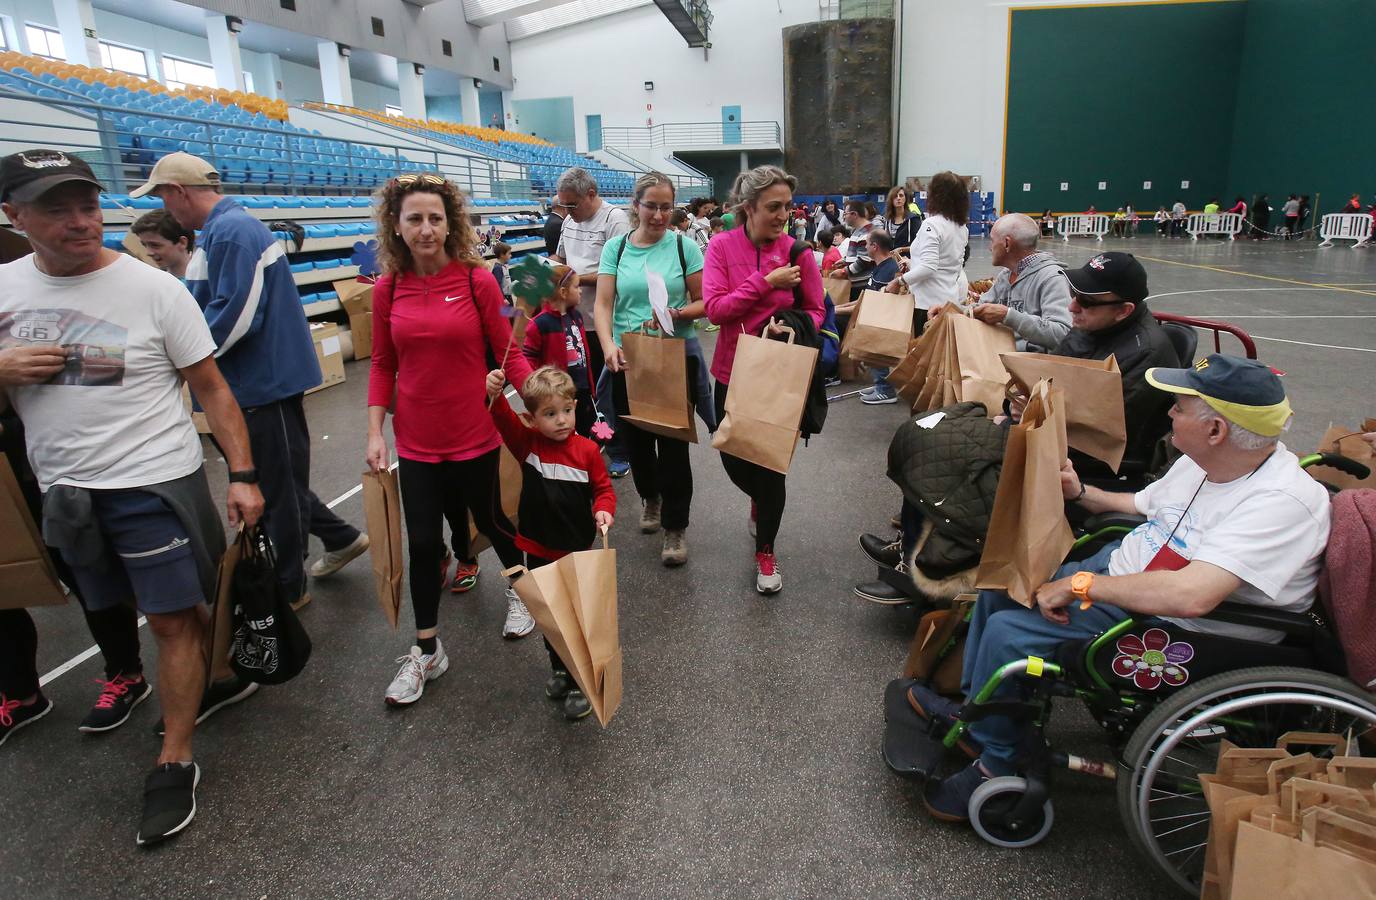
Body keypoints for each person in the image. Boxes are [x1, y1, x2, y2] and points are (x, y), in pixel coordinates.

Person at [914, 355, 1330, 825]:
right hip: (1128, 571)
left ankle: (997, 761)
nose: (1169, 411)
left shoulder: (1281, 502)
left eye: (1180, 406)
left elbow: (1193, 595)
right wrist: (1079, 493)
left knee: (1012, 632)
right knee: (1002, 584)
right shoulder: (1204, 461)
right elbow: (1139, 505)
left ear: (1216, 430)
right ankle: (982, 717)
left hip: (1180, 624)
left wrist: (1080, 585)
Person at [0, 148, 265, 844]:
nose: (80, 221)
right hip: (64, 490)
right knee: (110, 606)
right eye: (57, 209)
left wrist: (241, 474)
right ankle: (195, 678)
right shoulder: (3, 289)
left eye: (87, 205)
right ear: (13, 216)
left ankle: (175, 757)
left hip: (153, 481)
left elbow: (211, 386)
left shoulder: (154, 291)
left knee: (175, 619)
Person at [855, 252, 1176, 604]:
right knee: (929, 430)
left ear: (1124, 309)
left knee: (956, 458)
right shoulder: (1094, 329)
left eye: (1085, 302)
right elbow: (1050, 378)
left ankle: (927, 573)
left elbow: (1103, 435)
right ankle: (912, 548)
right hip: (1041, 427)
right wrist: (1019, 402)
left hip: (1082, 457)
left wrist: (1029, 416)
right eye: (1074, 295)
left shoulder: (1146, 355)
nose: (1072, 307)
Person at [132, 153, 369, 605]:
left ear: (179, 191)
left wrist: (188, 360)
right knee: (278, 483)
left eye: (163, 194)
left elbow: (237, 315)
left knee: (276, 492)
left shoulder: (233, 232)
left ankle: (287, 588)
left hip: (262, 385)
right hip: (252, 385)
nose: (166, 206)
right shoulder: (221, 231)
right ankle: (339, 538)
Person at [366, 173, 537, 706]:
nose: (425, 228)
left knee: (491, 522)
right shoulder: (388, 288)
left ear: (450, 223)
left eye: (435, 218)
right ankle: (426, 651)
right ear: (396, 225)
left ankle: (521, 591)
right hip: (415, 439)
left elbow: (508, 346)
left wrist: (537, 393)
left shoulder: (476, 280)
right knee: (421, 545)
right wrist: (374, 431)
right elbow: (381, 363)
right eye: (414, 218)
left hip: (474, 432)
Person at [703, 164, 825, 594]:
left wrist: (785, 325)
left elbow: (816, 310)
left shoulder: (799, 252)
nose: (783, 215)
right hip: (731, 373)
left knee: (772, 470)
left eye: (788, 207)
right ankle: (758, 500)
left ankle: (767, 550)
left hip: (777, 376)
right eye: (774, 207)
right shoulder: (720, 247)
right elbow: (716, 309)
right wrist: (765, 282)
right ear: (748, 208)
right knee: (733, 459)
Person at [484, 366, 615, 721]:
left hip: (575, 552)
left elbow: (603, 489)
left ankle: (579, 682)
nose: (561, 420)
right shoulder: (527, 445)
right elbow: (502, 417)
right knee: (551, 618)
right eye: (550, 414)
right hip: (538, 550)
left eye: (567, 411)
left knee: (576, 618)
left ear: (575, 406)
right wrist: (494, 391)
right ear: (531, 418)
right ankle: (559, 667)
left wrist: (603, 511)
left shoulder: (587, 451)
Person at [595, 172, 706, 567]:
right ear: (636, 205)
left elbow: (704, 301)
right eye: (651, 206)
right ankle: (651, 498)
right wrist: (608, 345)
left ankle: (676, 526)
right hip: (629, 357)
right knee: (635, 442)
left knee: (674, 445)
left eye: (665, 207)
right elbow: (604, 303)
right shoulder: (617, 249)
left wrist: (674, 313)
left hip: (671, 357)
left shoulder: (683, 247)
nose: (658, 215)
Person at [549, 166, 632, 477]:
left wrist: (572, 279)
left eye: (572, 204)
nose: (566, 210)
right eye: (563, 204)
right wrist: (542, 271)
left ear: (592, 194)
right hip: (572, 321)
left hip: (604, 325)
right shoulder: (571, 219)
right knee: (582, 392)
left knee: (607, 392)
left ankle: (619, 450)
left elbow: (620, 271)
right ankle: (594, 442)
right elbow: (559, 259)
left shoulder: (615, 220)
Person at [876, 169, 969, 404]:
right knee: (940, 362)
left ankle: (924, 407)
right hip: (948, 299)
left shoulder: (931, 225)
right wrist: (913, 263)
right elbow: (947, 265)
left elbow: (928, 267)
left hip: (926, 304)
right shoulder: (961, 227)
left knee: (923, 361)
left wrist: (899, 280)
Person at [947, 212, 1071, 353]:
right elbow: (980, 308)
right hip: (1001, 359)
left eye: (992, 241)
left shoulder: (1052, 278)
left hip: (1032, 369)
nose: (989, 247)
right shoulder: (1006, 275)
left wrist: (1008, 316)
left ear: (1007, 243)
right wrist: (949, 311)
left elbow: (1062, 334)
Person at [524, 264, 596, 436]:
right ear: (563, 292)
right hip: (557, 393)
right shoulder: (540, 324)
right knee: (564, 431)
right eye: (576, 287)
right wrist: (539, 388)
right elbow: (528, 358)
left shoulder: (576, 317)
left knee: (585, 431)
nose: (580, 291)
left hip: (582, 388)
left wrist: (591, 386)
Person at [840, 230, 905, 405]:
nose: (866, 247)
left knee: (876, 351)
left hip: (880, 319)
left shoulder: (886, 271)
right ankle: (880, 385)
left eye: (867, 244)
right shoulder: (882, 267)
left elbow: (873, 301)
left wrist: (837, 310)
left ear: (875, 247)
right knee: (872, 352)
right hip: (875, 314)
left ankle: (885, 389)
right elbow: (865, 298)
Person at [130, 209, 195, 280]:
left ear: (182, 243)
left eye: (155, 245)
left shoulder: (205, 281)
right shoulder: (153, 282)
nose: (149, 253)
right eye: (144, 245)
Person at [879, 185, 922, 249]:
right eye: (895, 196)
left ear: (905, 199)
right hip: (890, 256)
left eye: (901, 195)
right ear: (891, 199)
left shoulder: (913, 219)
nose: (898, 198)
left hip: (908, 257)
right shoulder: (887, 220)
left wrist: (902, 249)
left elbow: (919, 243)